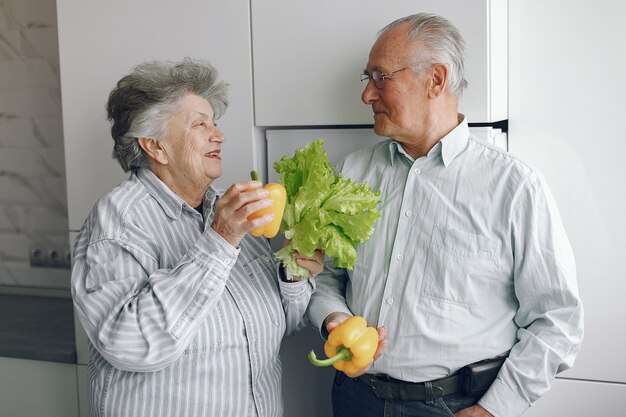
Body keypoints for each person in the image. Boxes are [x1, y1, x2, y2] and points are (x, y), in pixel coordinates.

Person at [306, 13, 583, 417]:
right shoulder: (351, 173)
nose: (367, 94)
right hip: (353, 397)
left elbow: (557, 320)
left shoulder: (514, 186)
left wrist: (494, 410)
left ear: (436, 80)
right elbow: (325, 276)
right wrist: (334, 318)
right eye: (367, 78)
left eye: (381, 77)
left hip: (456, 406)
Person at [71, 58, 324, 417]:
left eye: (215, 123)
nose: (218, 135)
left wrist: (293, 273)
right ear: (155, 147)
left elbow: (284, 322)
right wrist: (220, 241)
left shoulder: (224, 207)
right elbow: (131, 344)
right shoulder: (118, 220)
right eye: (199, 124)